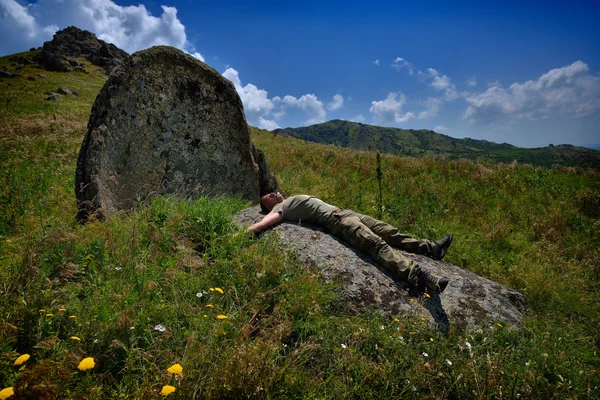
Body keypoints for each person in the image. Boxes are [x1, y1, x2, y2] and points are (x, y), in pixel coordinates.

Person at [247, 193, 453, 293]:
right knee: (377, 244)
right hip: (338, 220)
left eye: (272, 192)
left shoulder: (288, 198)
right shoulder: (280, 209)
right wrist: (239, 235)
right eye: (268, 197)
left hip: (347, 212)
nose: (273, 194)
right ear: (269, 206)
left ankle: (433, 248)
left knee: (391, 233)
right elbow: (264, 223)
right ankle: (422, 277)